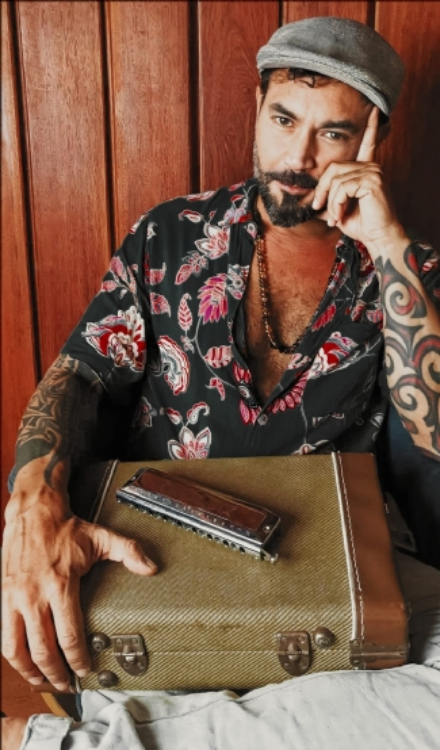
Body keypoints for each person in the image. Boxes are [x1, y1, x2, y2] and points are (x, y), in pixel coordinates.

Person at [2, 17, 440, 750]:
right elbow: (81, 372)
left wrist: (389, 247)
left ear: (374, 138)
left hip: (333, 577)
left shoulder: (409, 272)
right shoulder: (169, 234)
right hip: (158, 565)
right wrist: (31, 498)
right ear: (257, 106)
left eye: (333, 133)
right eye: (284, 120)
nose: (298, 157)